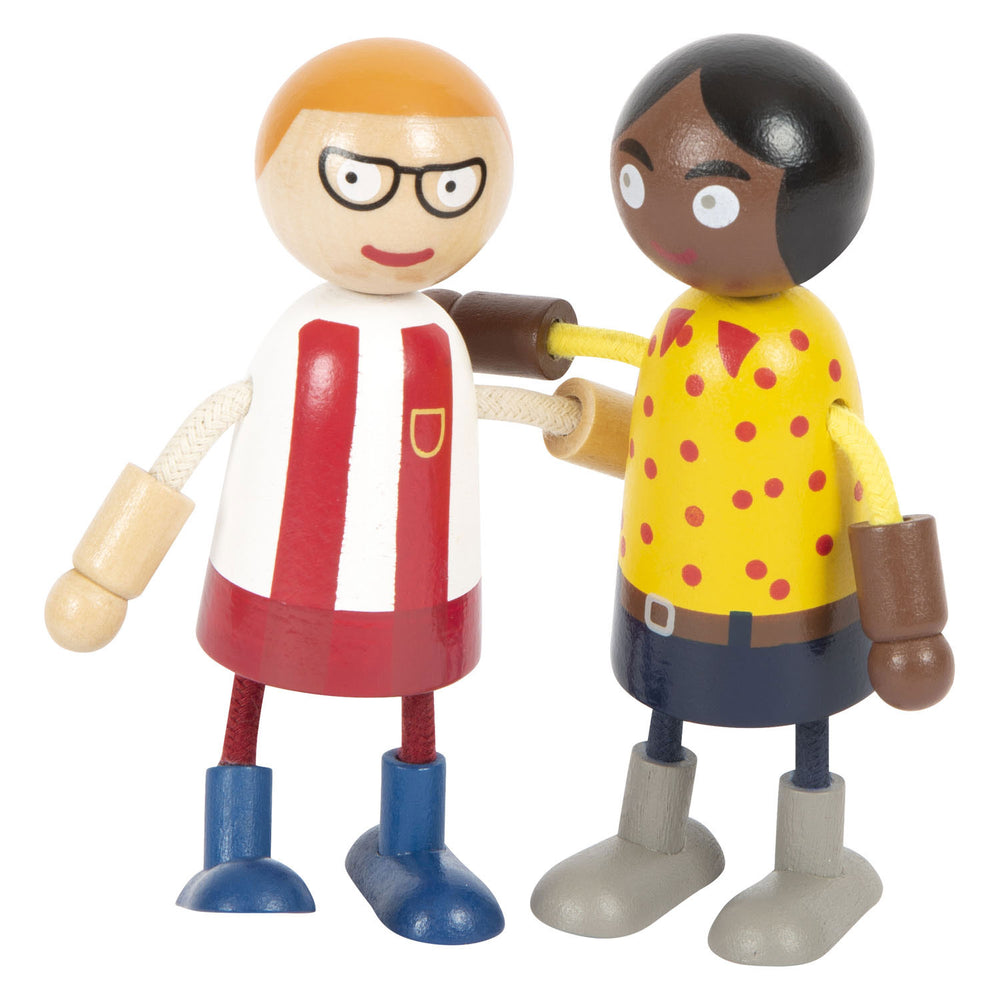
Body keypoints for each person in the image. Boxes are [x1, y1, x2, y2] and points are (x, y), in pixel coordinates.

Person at [532, 33, 953, 965]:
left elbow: (864, 467)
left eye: (712, 196)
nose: (673, 217)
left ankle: (816, 866)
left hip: (799, 601)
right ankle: (656, 843)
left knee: (807, 722)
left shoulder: (804, 347)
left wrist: (908, 617)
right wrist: (576, 420)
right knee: (666, 708)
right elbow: (655, 444)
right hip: (668, 589)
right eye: (641, 177)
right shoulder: (674, 334)